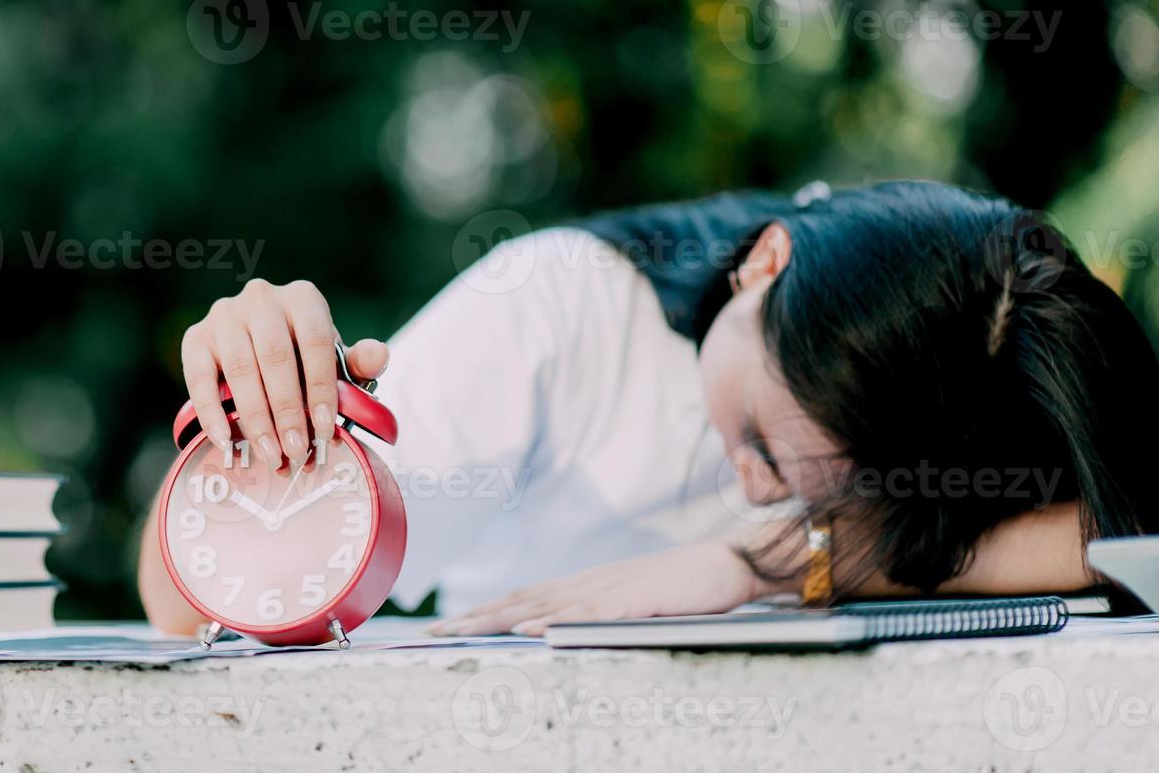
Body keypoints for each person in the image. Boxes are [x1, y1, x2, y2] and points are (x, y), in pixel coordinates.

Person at [139, 180, 1159, 636]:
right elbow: (187, 607)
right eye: (761, 437)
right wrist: (254, 425)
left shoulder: (958, 366)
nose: (755, 485)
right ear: (765, 259)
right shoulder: (556, 314)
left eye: (832, 488)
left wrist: (759, 562)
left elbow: (1128, 535)